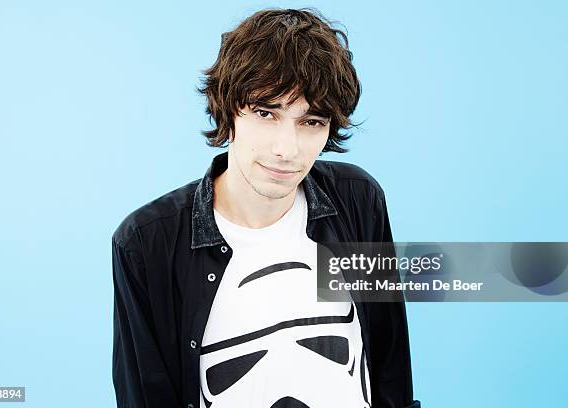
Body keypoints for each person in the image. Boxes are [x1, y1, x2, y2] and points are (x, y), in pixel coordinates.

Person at [112, 8, 420, 408]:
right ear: (229, 109)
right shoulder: (147, 243)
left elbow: (391, 367)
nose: (286, 149)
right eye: (265, 113)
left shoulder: (357, 200)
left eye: (311, 122)